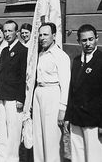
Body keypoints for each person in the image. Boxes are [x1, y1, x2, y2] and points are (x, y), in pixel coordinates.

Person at [65, 24, 102, 162]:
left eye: (91, 39)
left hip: (95, 123)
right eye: (84, 40)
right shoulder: (77, 61)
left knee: (95, 158)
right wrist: (68, 117)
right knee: (77, 158)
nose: (88, 43)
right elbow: (72, 91)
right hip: (77, 120)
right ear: (79, 42)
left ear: (97, 39)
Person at [33, 22, 71, 162]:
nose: (42, 38)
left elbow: (66, 84)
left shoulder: (60, 55)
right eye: (40, 34)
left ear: (54, 36)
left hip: (53, 93)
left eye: (46, 35)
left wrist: (62, 108)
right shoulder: (41, 53)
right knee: (38, 134)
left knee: (51, 136)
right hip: (39, 92)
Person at [0, 20, 27, 161]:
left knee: (13, 130)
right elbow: (0, 74)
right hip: (2, 95)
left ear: (17, 33)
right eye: (5, 31)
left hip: (14, 97)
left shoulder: (23, 51)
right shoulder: (4, 51)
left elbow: (23, 77)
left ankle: (12, 158)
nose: (7, 34)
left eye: (10, 31)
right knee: (2, 129)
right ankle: (2, 156)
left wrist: (21, 98)